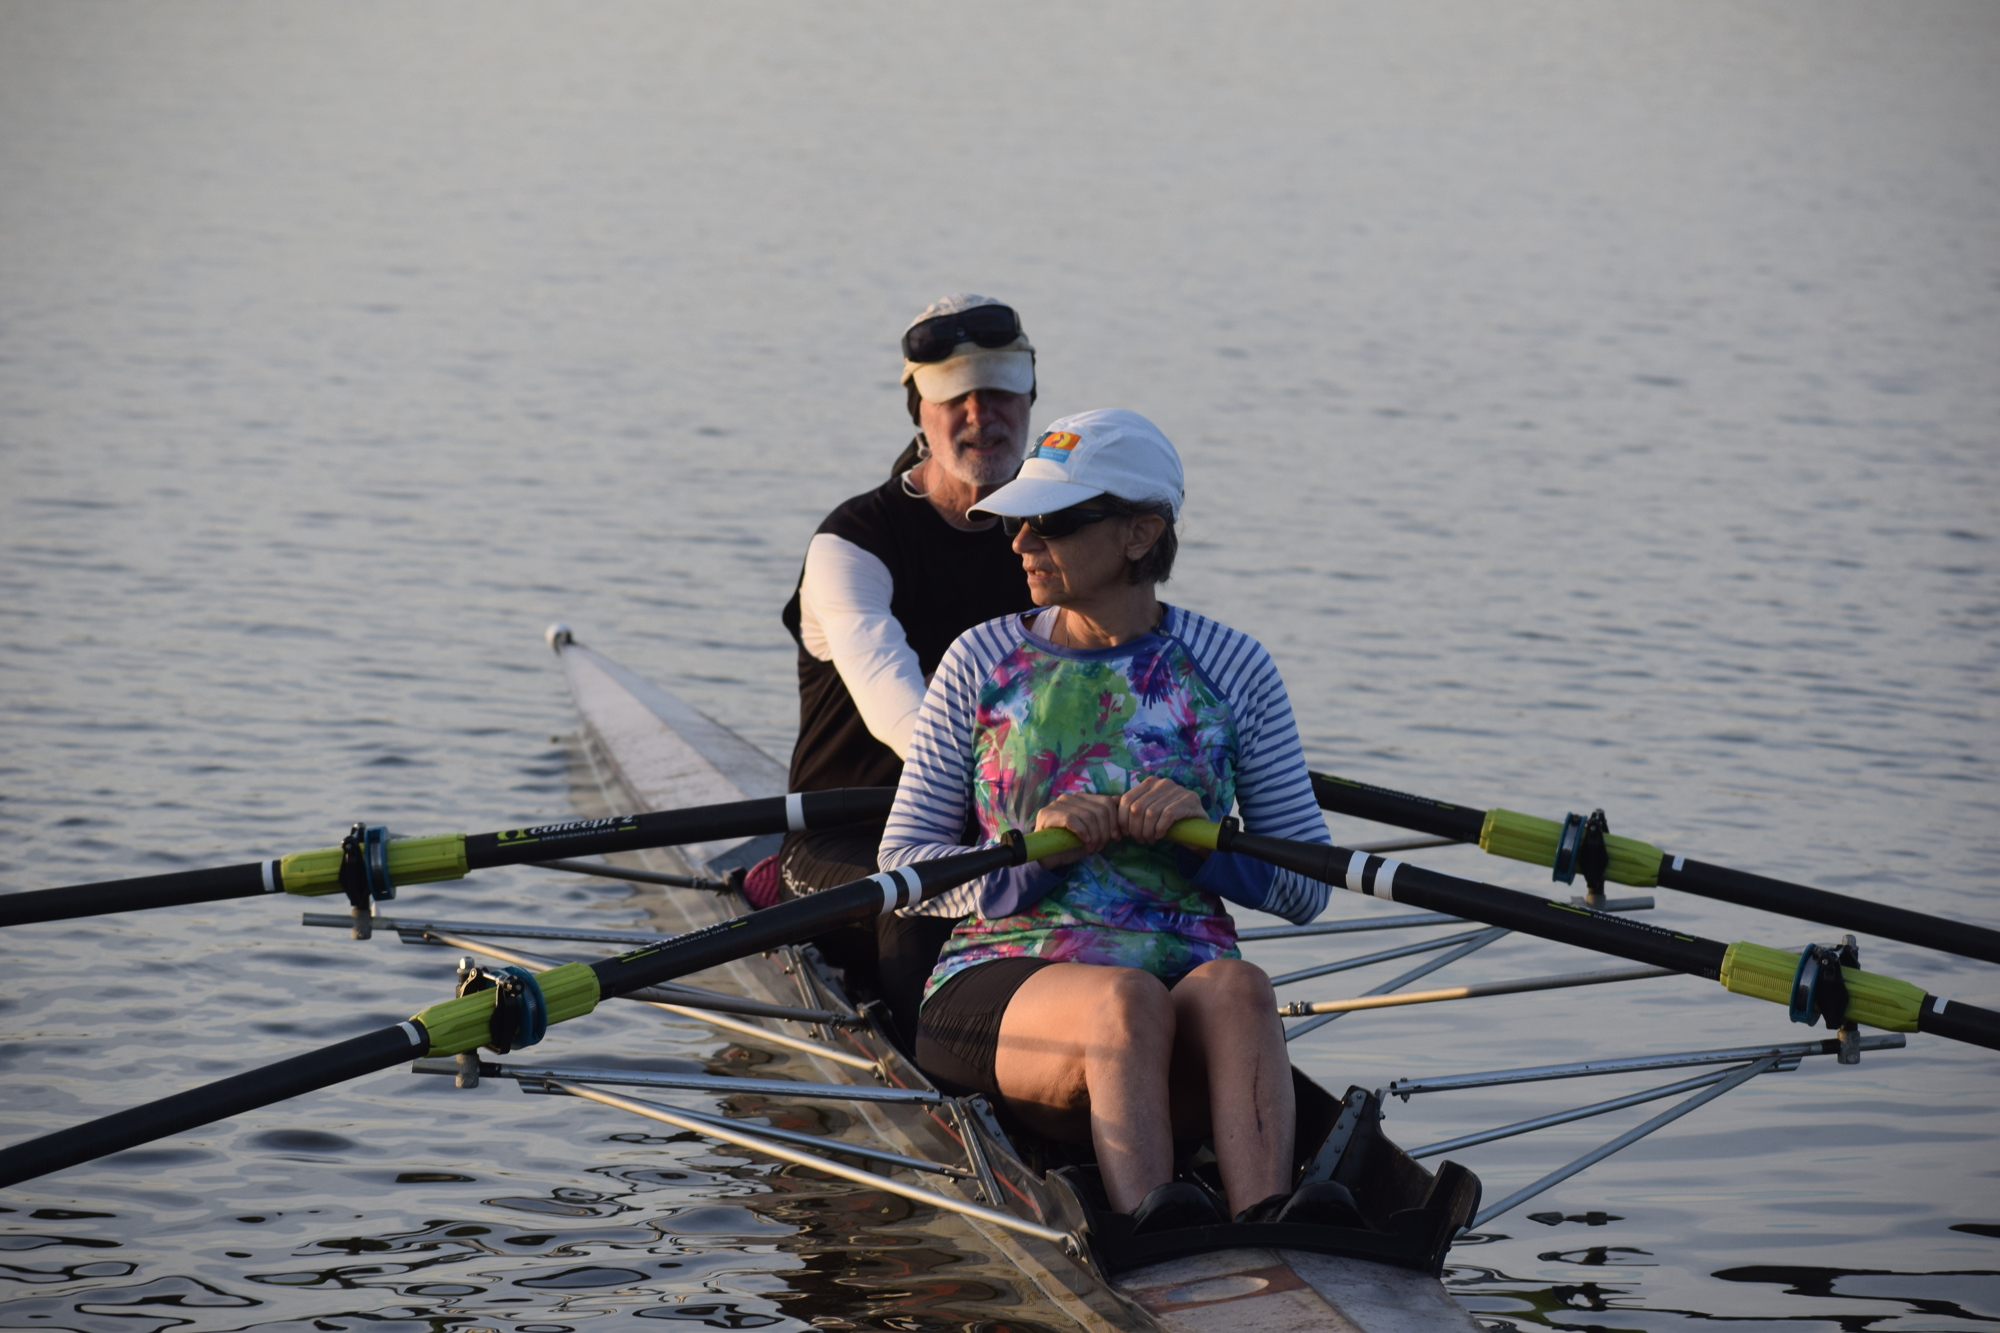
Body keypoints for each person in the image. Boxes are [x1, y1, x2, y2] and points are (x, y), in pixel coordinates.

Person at [877, 409, 1345, 1233]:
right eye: (1018, 520)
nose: (1020, 542)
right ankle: (1146, 1235)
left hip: (1187, 984)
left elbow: (1309, 885)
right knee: (1126, 1001)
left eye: (1051, 522)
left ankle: (1271, 1222)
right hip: (1007, 978)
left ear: (1140, 534)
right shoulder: (980, 661)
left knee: (1242, 986)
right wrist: (1028, 859)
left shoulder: (1232, 666)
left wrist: (1207, 845)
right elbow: (904, 867)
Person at [766, 294, 1039, 1052]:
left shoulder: (1057, 536)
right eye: (956, 397)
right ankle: (948, 1097)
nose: (982, 415)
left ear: (1031, 396)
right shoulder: (851, 545)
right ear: (919, 407)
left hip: (1005, 828)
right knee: (920, 893)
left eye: (1000, 392)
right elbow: (902, 717)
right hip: (846, 836)